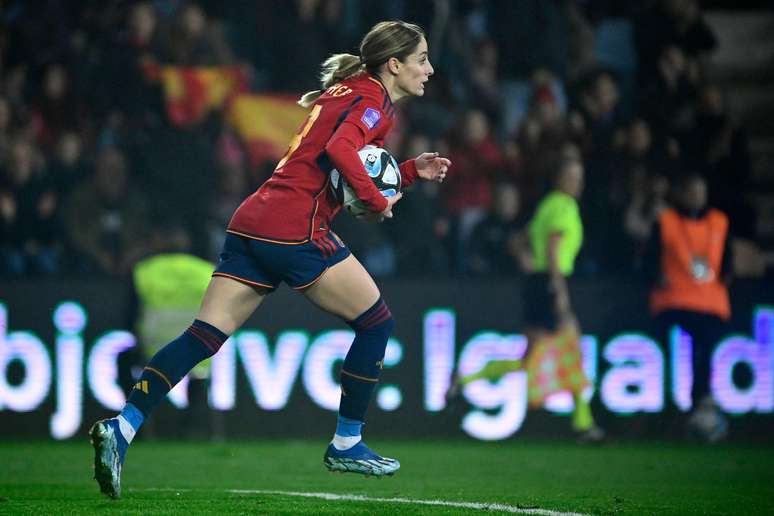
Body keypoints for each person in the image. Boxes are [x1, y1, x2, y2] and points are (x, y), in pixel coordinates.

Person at [89, 20, 451, 498]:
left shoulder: (348, 90)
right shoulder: (372, 102)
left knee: (203, 335)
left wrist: (406, 173)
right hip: (294, 228)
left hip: (253, 220)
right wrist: (379, 199)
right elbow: (343, 152)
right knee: (377, 322)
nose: (429, 68)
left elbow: (345, 164)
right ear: (394, 64)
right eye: (422, 59)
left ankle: (123, 427)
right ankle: (348, 441)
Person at [446, 158, 603, 442]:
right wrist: (558, 290)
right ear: (560, 179)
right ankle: (584, 424)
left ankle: (463, 380)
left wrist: (530, 265)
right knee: (572, 351)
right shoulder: (564, 207)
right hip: (551, 284)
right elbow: (554, 250)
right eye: (571, 176)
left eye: (579, 177)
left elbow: (518, 241)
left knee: (528, 358)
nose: (577, 183)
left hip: (537, 282)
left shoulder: (546, 205)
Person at [645, 173, 732, 442]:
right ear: (681, 193)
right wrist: (657, 277)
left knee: (704, 351)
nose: (696, 196)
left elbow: (727, 264)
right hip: (673, 300)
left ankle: (702, 402)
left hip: (708, 303)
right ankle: (668, 408)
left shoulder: (719, 222)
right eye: (691, 191)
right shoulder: (666, 221)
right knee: (668, 351)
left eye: (700, 191)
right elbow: (650, 259)